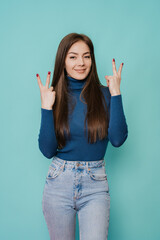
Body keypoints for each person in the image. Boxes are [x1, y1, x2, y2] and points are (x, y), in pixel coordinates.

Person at [36, 32, 128, 240]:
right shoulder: (53, 97)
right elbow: (48, 150)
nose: (81, 62)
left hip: (95, 184)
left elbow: (117, 139)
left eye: (87, 56)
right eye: (73, 56)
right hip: (59, 182)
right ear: (63, 60)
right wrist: (45, 107)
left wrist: (116, 93)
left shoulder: (105, 94)